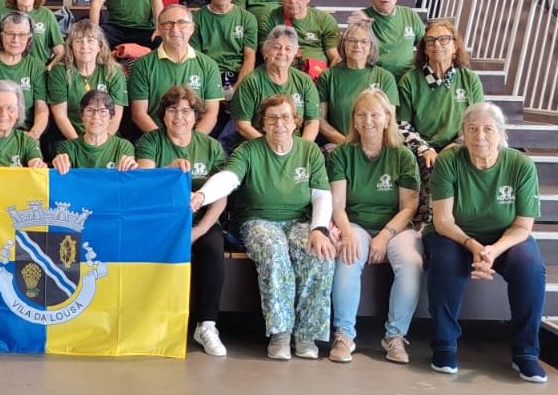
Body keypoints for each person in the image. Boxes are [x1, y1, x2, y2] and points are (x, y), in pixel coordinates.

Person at [192, 94, 336, 361]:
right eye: (271, 119)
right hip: (257, 221)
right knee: (273, 248)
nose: (278, 124)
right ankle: (280, 333)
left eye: (284, 117)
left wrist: (320, 229)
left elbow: (321, 195)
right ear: (263, 124)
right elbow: (229, 178)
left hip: (300, 220)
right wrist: (203, 195)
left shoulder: (310, 151)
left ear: (295, 121)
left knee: (319, 251)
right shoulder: (248, 150)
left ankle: (305, 335)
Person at [425, 103, 547, 383]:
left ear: (501, 134)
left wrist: (492, 250)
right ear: (463, 134)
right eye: (472, 129)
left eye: (488, 129)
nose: (480, 136)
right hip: (455, 233)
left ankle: (526, 352)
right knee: (444, 261)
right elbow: (443, 220)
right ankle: (444, 345)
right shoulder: (449, 161)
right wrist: (472, 245)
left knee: (531, 267)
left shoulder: (521, 165)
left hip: (504, 237)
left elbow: (523, 226)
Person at [328, 89, 422, 364]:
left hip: (395, 227)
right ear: (354, 121)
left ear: (386, 119)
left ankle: (394, 335)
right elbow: (338, 206)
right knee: (349, 254)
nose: (368, 120)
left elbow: (409, 207)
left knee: (410, 262)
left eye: (374, 114)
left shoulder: (402, 156)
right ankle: (344, 334)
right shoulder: (342, 154)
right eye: (361, 114)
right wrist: (347, 234)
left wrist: (383, 237)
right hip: (354, 222)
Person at [135, 86, 228, 357]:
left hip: (200, 221)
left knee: (212, 247)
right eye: (172, 110)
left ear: (196, 116)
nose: (179, 116)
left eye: (186, 111)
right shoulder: (151, 141)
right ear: (163, 115)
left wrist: (199, 229)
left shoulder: (210, 146)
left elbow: (220, 195)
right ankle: (151, 322)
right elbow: (143, 182)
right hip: (160, 222)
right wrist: (168, 171)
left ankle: (207, 325)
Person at [397, 19, 485, 223]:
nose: (437, 44)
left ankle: (474, 220)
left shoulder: (469, 79)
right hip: (424, 148)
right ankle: (428, 224)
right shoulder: (410, 80)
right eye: (430, 41)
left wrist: (455, 146)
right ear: (424, 50)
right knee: (428, 164)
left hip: (461, 144)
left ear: (455, 46)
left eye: (444, 39)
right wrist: (425, 148)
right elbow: (402, 125)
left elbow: (478, 120)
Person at [128, 5, 222, 135]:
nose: (175, 29)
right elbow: (139, 114)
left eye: (182, 23)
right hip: (155, 139)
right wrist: (164, 143)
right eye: (168, 24)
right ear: (159, 29)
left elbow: (211, 113)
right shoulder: (143, 65)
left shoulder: (209, 65)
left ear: (192, 28)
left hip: (195, 139)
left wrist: (192, 142)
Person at [231, 26, 319, 142]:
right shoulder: (251, 82)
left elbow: (312, 121)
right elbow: (242, 125)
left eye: (288, 49)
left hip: (296, 147)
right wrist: (271, 147)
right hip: (260, 146)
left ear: (295, 54)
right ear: (266, 51)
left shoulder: (304, 81)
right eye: (276, 47)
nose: (282, 53)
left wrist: (300, 149)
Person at [317, 22, 399, 146]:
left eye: (364, 41)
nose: (357, 45)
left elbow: (390, 120)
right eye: (351, 40)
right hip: (339, 145)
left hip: (377, 145)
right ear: (343, 44)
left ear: (372, 46)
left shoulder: (385, 77)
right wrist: (346, 143)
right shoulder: (328, 76)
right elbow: (320, 120)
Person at [48, 19, 128, 141]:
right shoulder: (59, 72)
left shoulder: (114, 72)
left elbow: (115, 116)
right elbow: (60, 116)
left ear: (99, 46)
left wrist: (103, 145)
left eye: (90, 40)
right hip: (70, 137)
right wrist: (80, 145)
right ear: (71, 47)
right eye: (78, 41)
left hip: (107, 138)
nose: (84, 46)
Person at [192, 0, 258, 95]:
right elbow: (196, 59)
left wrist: (236, 89)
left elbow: (249, 59)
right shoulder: (196, 18)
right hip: (208, 76)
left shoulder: (247, 19)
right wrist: (212, 90)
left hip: (238, 77)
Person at [258, 0, 340, 70]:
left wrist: (327, 81)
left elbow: (335, 57)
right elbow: (268, 56)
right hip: (283, 75)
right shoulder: (268, 20)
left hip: (318, 78)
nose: (293, 1)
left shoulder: (325, 20)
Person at [51, 90, 136, 172]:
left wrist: (131, 168)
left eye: (102, 111)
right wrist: (60, 163)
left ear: (111, 117)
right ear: (82, 115)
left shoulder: (123, 147)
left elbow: (127, 181)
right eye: (89, 111)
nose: (96, 117)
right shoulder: (68, 148)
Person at [363, 0, 424, 78]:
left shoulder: (410, 15)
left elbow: (425, 46)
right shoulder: (363, 18)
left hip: (407, 77)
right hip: (375, 78)